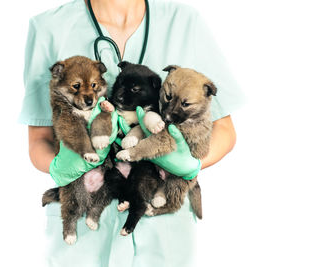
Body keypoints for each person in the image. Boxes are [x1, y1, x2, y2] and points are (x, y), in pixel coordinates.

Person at [19, 0, 244, 266]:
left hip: (163, 230)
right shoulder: (49, 27)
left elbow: (225, 130)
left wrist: (188, 165)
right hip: (82, 231)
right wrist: (60, 167)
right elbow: (39, 140)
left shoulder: (185, 22)